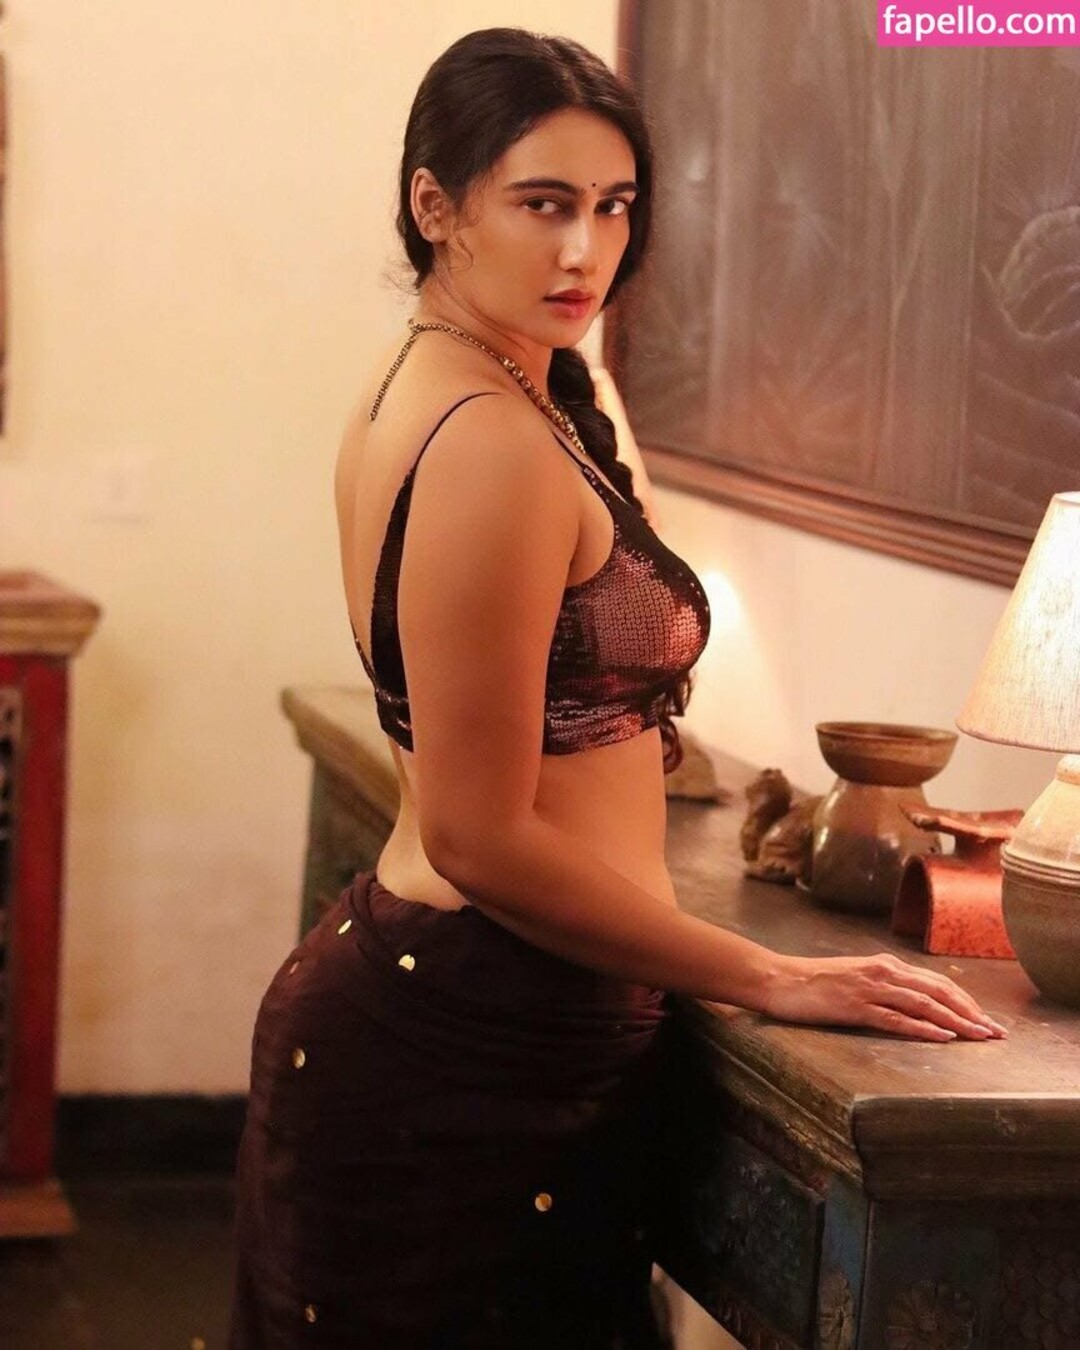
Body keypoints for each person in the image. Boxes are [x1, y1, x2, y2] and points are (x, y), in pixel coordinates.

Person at [229, 28, 1005, 1350]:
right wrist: (767, 973)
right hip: (469, 1039)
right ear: (436, 205)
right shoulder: (486, 440)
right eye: (544, 204)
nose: (585, 250)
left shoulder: (462, 384)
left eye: (614, 206)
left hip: (492, 1017)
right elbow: (476, 834)